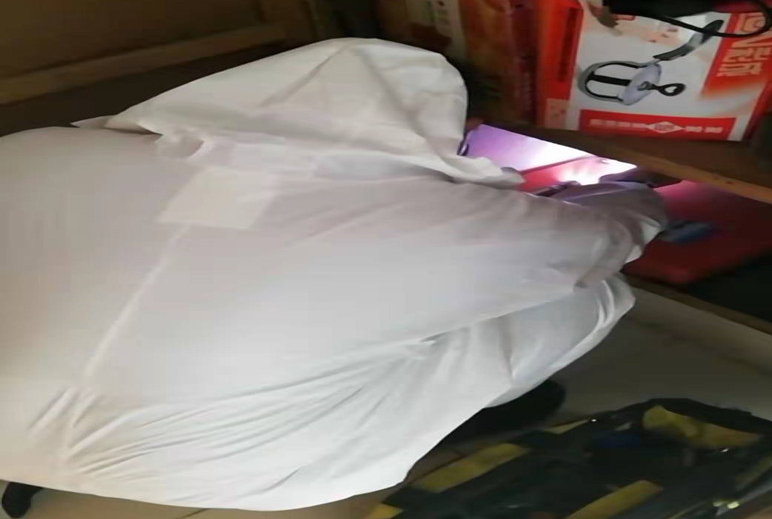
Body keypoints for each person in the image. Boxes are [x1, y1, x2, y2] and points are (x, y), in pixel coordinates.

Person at [0, 39, 666, 513]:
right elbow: (604, 241)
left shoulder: (32, 152)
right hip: (236, 472)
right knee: (590, 293)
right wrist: (635, 189)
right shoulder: (432, 224)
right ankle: (467, 413)